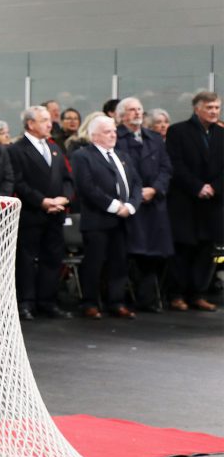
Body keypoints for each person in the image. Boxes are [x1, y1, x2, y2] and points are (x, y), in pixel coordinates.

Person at [72, 116, 143, 319]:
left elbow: (137, 183)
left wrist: (130, 205)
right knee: (95, 263)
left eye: (114, 131)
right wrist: (114, 206)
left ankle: (116, 301)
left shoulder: (122, 155)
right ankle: (90, 302)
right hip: (97, 219)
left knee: (119, 262)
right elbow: (87, 187)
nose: (113, 135)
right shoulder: (83, 156)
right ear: (94, 135)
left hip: (123, 219)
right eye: (107, 132)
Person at [8, 105, 73, 320]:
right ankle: (26, 302)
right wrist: (42, 201)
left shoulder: (55, 148)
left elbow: (67, 178)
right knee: (26, 260)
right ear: (30, 124)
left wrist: (64, 198)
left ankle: (47, 300)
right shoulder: (17, 149)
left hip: (55, 213)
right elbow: (18, 181)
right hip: (32, 213)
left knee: (53, 258)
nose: (50, 123)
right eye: (44, 120)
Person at [164, 91, 223, 312]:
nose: (214, 112)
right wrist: (197, 186)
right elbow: (175, 164)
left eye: (217, 107)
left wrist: (214, 187)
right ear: (197, 109)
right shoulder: (178, 131)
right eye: (209, 108)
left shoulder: (221, 133)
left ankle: (198, 293)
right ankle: (177, 294)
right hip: (185, 200)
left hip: (213, 202)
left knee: (206, 251)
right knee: (183, 249)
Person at [115, 97, 173, 312]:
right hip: (131, 204)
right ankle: (130, 298)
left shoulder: (154, 138)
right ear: (121, 115)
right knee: (133, 252)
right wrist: (138, 192)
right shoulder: (117, 138)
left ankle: (148, 299)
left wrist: (155, 189)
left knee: (155, 254)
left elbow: (166, 168)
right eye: (131, 110)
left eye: (139, 109)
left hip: (154, 204)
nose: (137, 113)